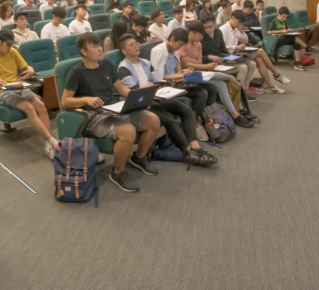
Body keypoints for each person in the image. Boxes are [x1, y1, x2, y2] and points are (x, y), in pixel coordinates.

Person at [62, 33, 162, 193]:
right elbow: (65, 101)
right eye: (94, 46)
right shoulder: (77, 72)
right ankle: (117, 172)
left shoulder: (107, 64)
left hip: (114, 108)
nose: (100, 48)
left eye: (99, 44)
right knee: (128, 131)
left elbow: (121, 89)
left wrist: (136, 97)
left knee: (153, 120)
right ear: (84, 52)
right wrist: (86, 99)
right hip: (95, 115)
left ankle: (138, 157)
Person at [117, 34, 216, 167]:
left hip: (157, 96)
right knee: (168, 118)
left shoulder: (146, 63)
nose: (136, 46)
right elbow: (135, 91)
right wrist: (151, 86)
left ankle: (196, 148)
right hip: (142, 102)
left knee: (186, 110)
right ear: (124, 51)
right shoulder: (123, 68)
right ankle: (189, 152)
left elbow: (156, 81)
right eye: (131, 45)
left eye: (136, 43)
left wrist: (154, 86)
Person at [0, 30, 57, 159]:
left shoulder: (13, 52)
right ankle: (52, 141)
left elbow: (28, 67)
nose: (10, 48)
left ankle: (48, 144)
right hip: (2, 91)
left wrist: (30, 71)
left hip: (19, 86)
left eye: (11, 45)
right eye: (7, 45)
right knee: (29, 108)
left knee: (41, 105)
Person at [179, 22, 254, 127]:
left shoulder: (198, 44)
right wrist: (202, 66)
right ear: (191, 33)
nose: (201, 38)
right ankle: (236, 114)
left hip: (201, 72)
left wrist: (193, 62)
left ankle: (239, 108)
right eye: (200, 35)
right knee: (222, 84)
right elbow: (184, 65)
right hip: (192, 76)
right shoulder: (182, 44)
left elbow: (198, 63)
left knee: (231, 78)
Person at [150, 28, 220, 123]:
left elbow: (178, 69)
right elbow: (159, 77)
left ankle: (210, 116)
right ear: (172, 39)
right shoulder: (158, 51)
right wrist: (179, 75)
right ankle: (197, 122)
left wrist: (184, 72)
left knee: (212, 87)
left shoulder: (174, 49)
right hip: (168, 85)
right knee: (202, 93)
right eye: (180, 44)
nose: (180, 48)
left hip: (178, 80)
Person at [221, 11, 289, 93]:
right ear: (232, 18)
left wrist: (241, 31)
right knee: (260, 51)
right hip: (229, 56)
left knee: (259, 59)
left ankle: (270, 86)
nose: (239, 24)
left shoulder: (235, 29)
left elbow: (245, 40)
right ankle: (276, 74)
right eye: (239, 22)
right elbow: (223, 48)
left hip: (236, 55)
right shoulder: (223, 29)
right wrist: (236, 47)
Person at [267, 7, 308, 71]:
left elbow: (285, 29)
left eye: (286, 17)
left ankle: (297, 64)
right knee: (292, 37)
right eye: (283, 17)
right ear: (279, 14)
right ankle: (305, 46)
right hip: (276, 40)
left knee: (296, 43)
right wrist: (281, 31)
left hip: (284, 38)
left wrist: (288, 30)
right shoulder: (274, 21)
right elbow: (269, 32)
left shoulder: (284, 22)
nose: (284, 18)